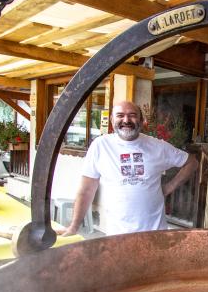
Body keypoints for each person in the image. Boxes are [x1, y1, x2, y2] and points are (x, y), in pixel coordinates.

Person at [61, 100, 198, 236]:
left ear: (141, 120)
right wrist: (74, 226)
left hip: (154, 233)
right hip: (117, 234)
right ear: (111, 119)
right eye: (120, 115)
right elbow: (86, 190)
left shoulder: (158, 146)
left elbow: (192, 162)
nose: (126, 120)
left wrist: (169, 187)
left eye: (132, 115)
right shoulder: (100, 146)